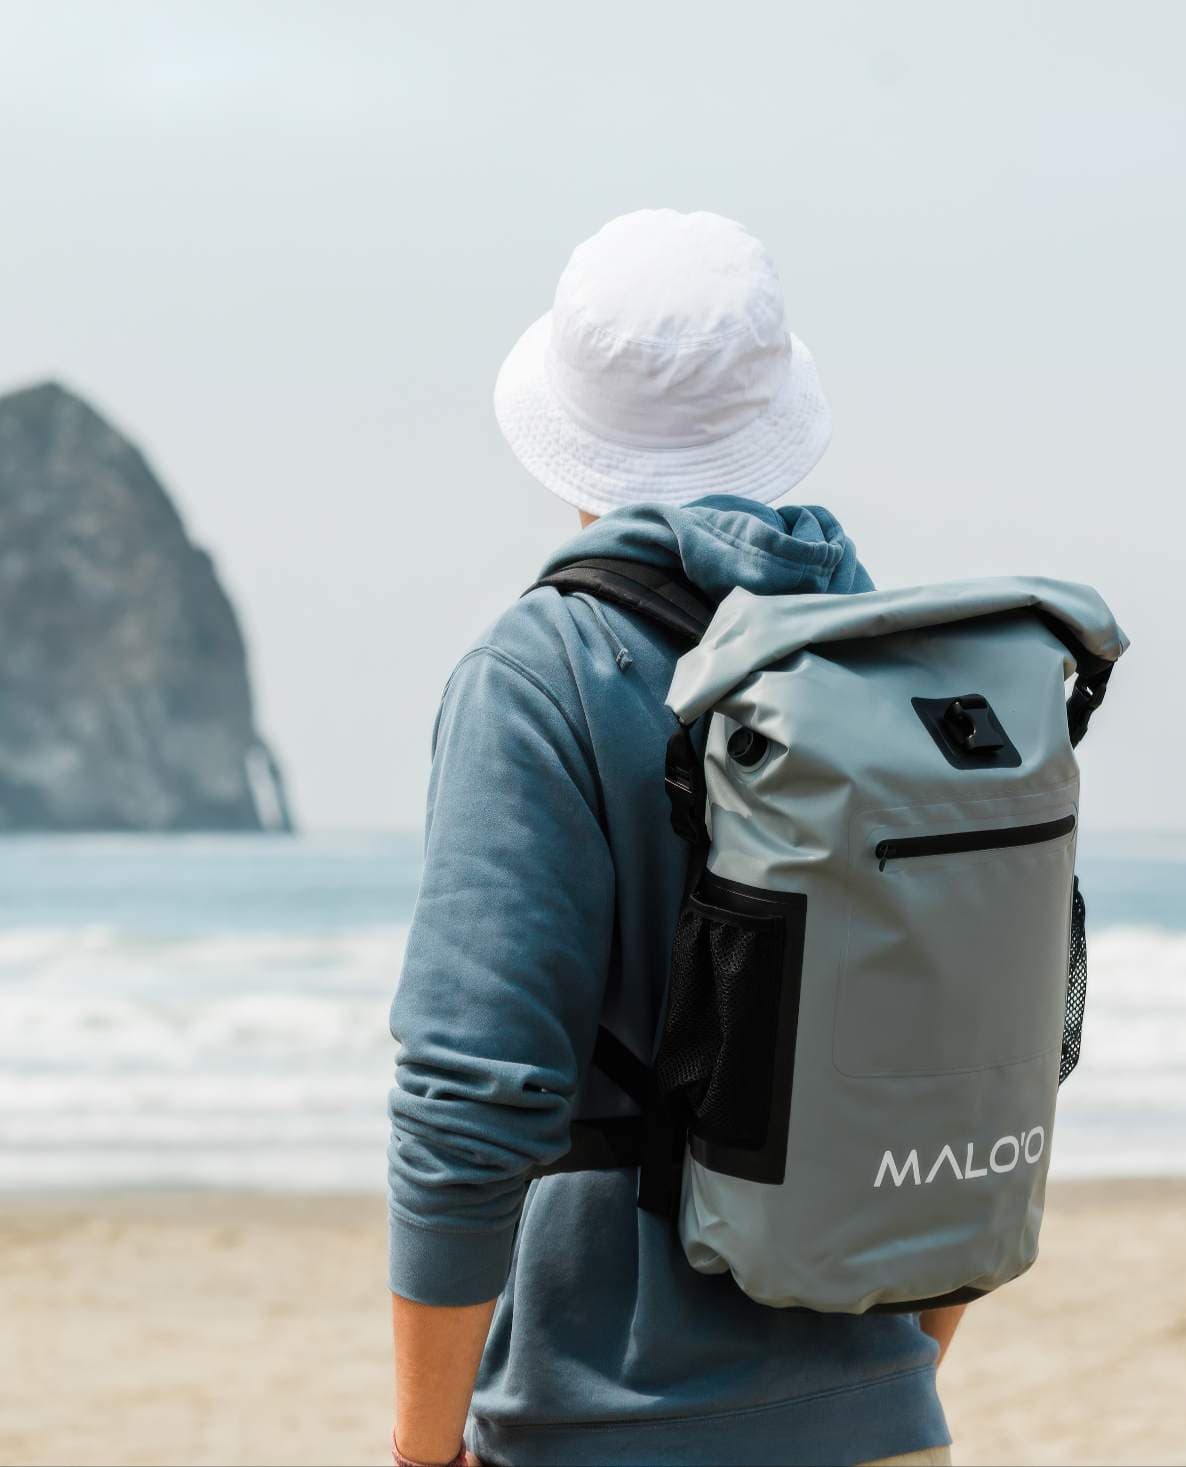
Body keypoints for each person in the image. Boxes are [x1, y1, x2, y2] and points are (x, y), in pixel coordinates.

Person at [387, 210, 959, 1467]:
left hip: (607, 1420)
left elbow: (468, 1098)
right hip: (884, 1419)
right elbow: (982, 1041)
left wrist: (424, 1449)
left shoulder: (542, 671)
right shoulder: (896, 666)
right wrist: (892, 1364)